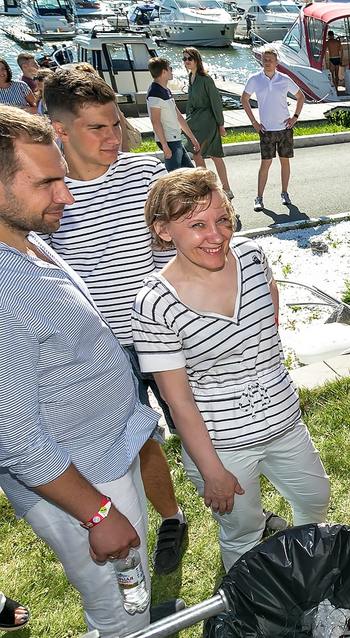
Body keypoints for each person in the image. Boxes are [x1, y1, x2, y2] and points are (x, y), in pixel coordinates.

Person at [0, 104, 156, 635]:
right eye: (46, 183)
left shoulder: (27, 237)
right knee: (121, 616)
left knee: (134, 600)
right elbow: (14, 437)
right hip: (81, 480)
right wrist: (96, 513)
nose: (65, 197)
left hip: (106, 451)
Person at [132, 168, 330, 570]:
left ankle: (308, 569)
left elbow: (269, 317)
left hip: (285, 425)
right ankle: (251, 602)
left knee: (315, 497)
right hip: (223, 447)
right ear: (164, 230)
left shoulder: (253, 257)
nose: (217, 235)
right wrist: (212, 471)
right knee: (241, 533)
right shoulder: (154, 302)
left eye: (223, 220)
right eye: (197, 225)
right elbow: (178, 400)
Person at [42, 70, 189, 576]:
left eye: (115, 124)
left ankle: (233, 497)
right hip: (103, 352)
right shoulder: (47, 195)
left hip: (164, 332)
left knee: (198, 425)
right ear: (59, 130)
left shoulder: (145, 173)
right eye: (97, 128)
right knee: (136, 441)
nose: (113, 137)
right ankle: (172, 517)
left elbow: (179, 249)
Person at [242, 46, 304, 212]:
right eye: (264, 59)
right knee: (265, 164)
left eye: (270, 60)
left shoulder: (284, 79)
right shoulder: (255, 79)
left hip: (284, 128)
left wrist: (295, 117)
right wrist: (254, 122)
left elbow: (300, 96)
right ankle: (259, 198)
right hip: (266, 130)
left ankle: (284, 193)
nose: (267, 62)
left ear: (277, 62)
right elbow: (244, 99)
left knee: (285, 162)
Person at [182, 47, 233, 199]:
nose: (186, 62)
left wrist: (220, 124)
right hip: (195, 121)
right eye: (184, 59)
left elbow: (216, 102)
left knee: (213, 154)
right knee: (197, 153)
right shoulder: (190, 77)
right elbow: (190, 102)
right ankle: (205, 186)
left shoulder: (206, 79)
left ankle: (226, 188)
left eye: (189, 59)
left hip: (207, 121)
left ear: (196, 60)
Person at [147, 57, 199, 173]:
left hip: (175, 138)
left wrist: (192, 138)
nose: (172, 71)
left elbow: (178, 116)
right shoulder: (154, 92)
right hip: (169, 141)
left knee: (189, 174)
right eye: (170, 68)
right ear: (164, 71)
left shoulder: (166, 90)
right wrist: (165, 146)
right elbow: (155, 122)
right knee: (174, 176)